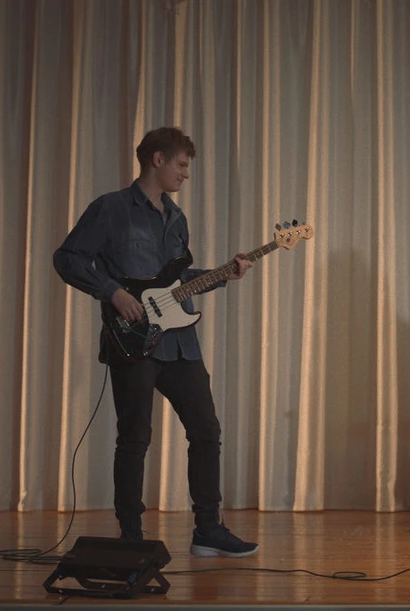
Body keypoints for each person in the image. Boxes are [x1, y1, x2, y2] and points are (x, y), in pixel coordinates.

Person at [53, 127, 257, 557]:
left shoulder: (176, 218)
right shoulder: (110, 208)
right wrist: (112, 291)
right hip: (132, 341)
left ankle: (208, 529)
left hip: (180, 342)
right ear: (157, 159)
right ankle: (131, 535)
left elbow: (174, 282)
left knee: (206, 431)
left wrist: (224, 274)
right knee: (134, 438)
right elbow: (67, 258)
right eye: (181, 164)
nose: (185, 173)